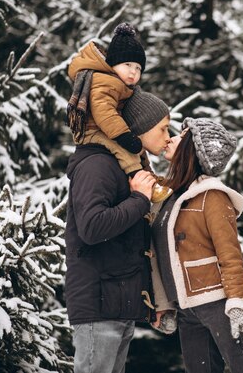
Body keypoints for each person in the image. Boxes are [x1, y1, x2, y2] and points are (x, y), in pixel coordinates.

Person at [64, 89, 173, 373]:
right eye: (162, 128)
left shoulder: (125, 166)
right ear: (140, 129)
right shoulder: (97, 165)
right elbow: (91, 227)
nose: (167, 136)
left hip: (117, 304)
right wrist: (139, 200)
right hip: (99, 307)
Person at [151, 118, 243, 373]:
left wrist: (237, 305)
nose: (170, 138)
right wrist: (164, 304)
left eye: (181, 135)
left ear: (192, 148)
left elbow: (230, 254)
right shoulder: (169, 196)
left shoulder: (212, 195)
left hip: (217, 303)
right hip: (186, 309)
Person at [67, 22, 156, 175]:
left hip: (106, 130)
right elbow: (103, 110)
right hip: (93, 132)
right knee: (127, 154)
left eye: (138, 68)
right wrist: (124, 136)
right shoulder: (106, 81)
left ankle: (151, 177)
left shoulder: (118, 84)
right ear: (113, 64)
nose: (133, 72)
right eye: (127, 64)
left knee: (140, 151)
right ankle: (137, 177)